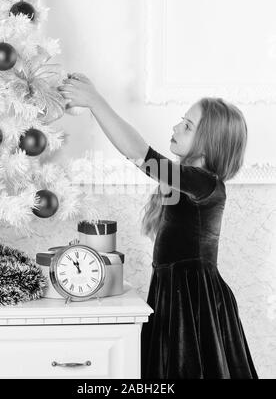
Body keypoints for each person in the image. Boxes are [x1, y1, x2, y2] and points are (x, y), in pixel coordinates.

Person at [58, 73, 259, 379]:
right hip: (174, 290)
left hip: (193, 300)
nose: (177, 127)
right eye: (182, 120)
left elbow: (141, 155)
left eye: (188, 126)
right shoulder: (186, 183)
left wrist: (96, 102)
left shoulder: (204, 184)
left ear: (207, 145)